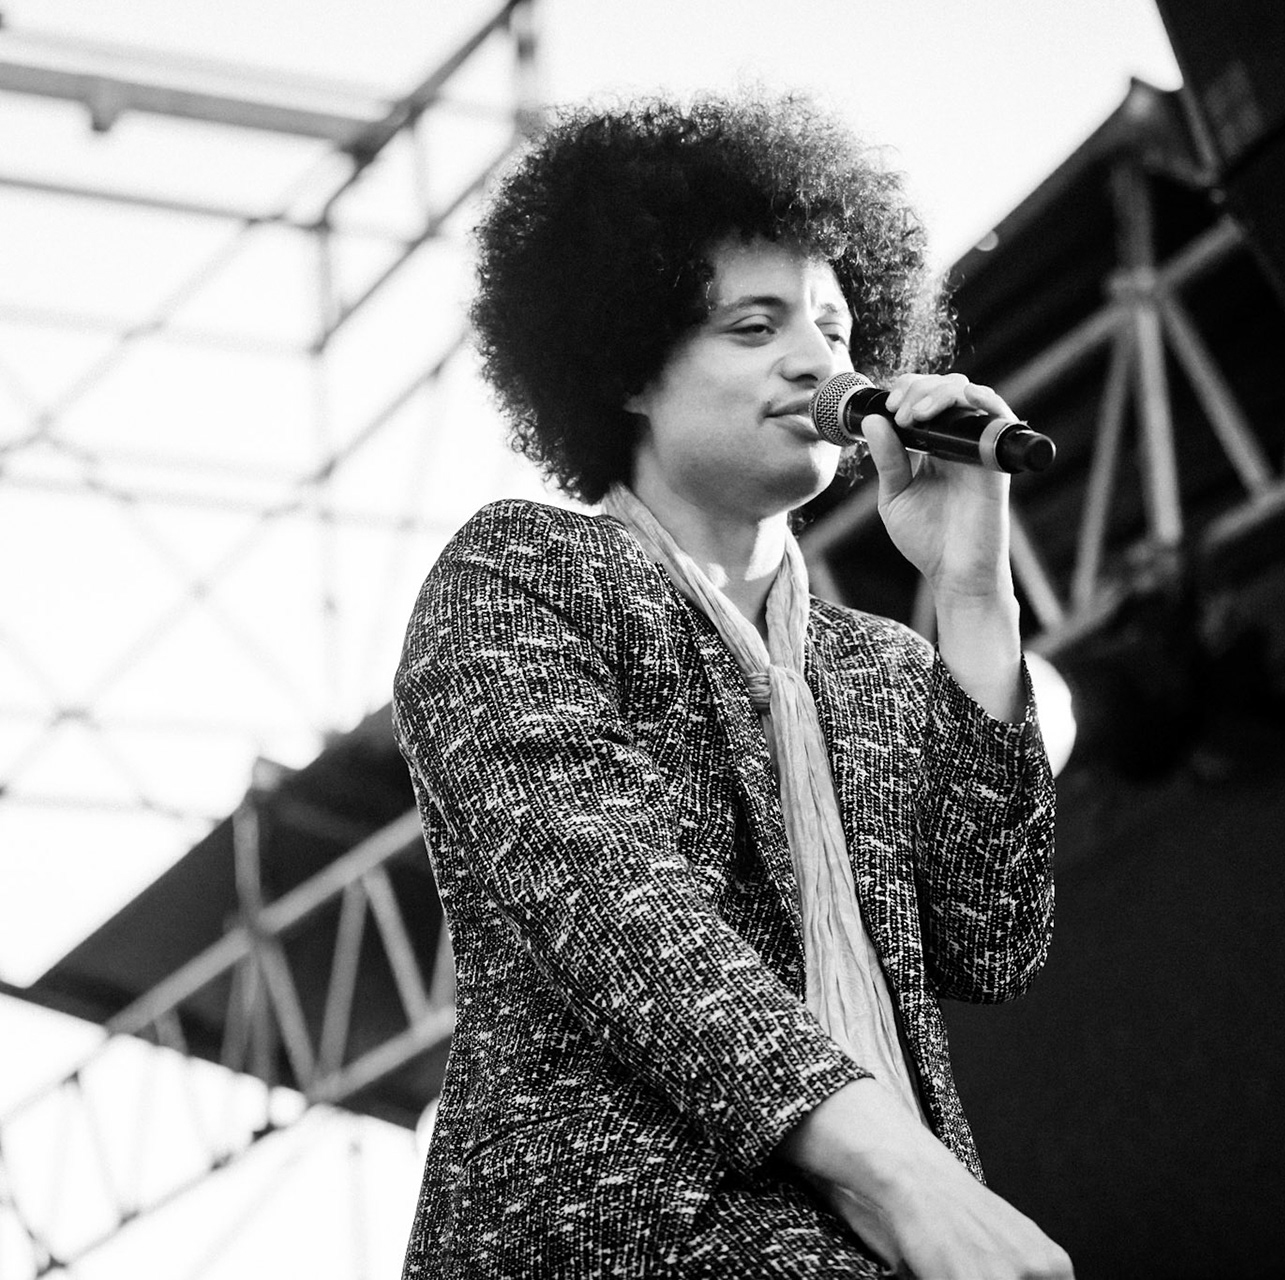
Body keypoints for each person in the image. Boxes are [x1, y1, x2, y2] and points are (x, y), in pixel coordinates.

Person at [391, 89, 1070, 1279]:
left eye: (836, 329)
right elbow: (620, 915)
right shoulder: (523, 572)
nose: (819, 362)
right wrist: (906, 1174)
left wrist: (972, 592)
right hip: (616, 1239)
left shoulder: (881, 664)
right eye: (754, 328)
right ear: (629, 367)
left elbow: (992, 937)